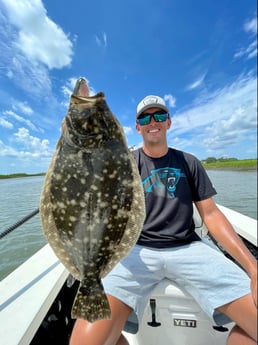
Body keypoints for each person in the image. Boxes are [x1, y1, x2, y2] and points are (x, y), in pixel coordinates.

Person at [70, 94, 257, 345]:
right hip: (135, 251)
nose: (152, 121)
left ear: (168, 122)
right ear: (137, 126)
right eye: (145, 117)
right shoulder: (125, 164)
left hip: (189, 247)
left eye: (159, 115)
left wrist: (253, 269)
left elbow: (210, 214)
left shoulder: (188, 162)